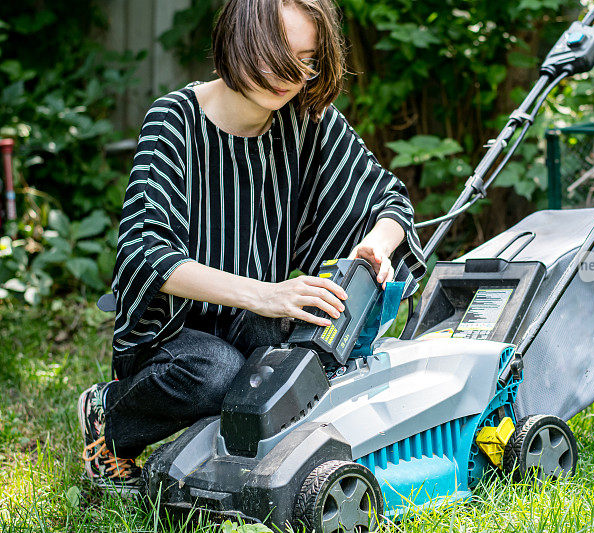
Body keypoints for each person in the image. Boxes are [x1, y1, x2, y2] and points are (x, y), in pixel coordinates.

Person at [77, 0, 426, 493]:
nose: (294, 75)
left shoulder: (308, 119)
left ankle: (249, 450)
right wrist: (265, 294)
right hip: (175, 332)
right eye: (280, 53)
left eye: (307, 60)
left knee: (306, 338)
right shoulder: (174, 121)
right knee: (216, 371)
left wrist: (375, 245)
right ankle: (109, 415)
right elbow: (147, 253)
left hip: (257, 314)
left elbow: (389, 198)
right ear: (241, 37)